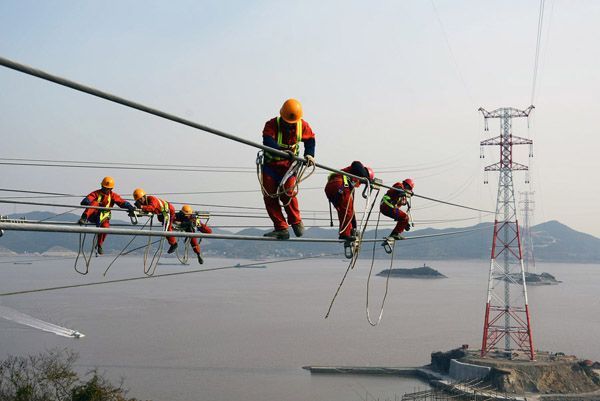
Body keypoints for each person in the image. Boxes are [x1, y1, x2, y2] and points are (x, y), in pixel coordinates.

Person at [261, 98, 316, 240]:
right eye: (287, 122)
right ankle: (281, 229)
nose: (290, 124)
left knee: (288, 193)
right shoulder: (272, 124)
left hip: (289, 167)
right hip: (271, 166)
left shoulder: (302, 126)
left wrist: (309, 154)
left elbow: (310, 140)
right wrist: (282, 151)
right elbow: (267, 140)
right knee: (270, 196)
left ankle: (296, 222)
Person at [78, 176, 136, 255]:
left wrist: (129, 207)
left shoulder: (113, 195)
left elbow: (122, 202)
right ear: (102, 186)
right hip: (93, 215)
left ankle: (99, 245)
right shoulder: (96, 193)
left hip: (104, 217)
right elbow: (90, 197)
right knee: (95, 203)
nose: (105, 189)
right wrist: (86, 201)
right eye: (104, 187)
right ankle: (84, 218)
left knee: (105, 228)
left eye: (107, 188)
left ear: (111, 189)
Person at [325, 161, 374, 241]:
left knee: (344, 212)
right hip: (339, 186)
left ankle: (347, 232)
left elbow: (351, 211)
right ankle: (345, 234)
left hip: (331, 188)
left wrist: (354, 227)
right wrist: (366, 178)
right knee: (347, 211)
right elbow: (356, 164)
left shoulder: (351, 179)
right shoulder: (357, 167)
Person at [132, 188, 178, 254]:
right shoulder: (144, 203)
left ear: (144, 196)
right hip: (161, 213)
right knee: (162, 221)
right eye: (138, 200)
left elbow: (151, 208)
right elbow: (147, 209)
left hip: (169, 211)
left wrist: (141, 207)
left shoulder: (152, 199)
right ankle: (171, 225)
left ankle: (174, 244)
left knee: (167, 228)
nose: (140, 201)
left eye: (141, 199)